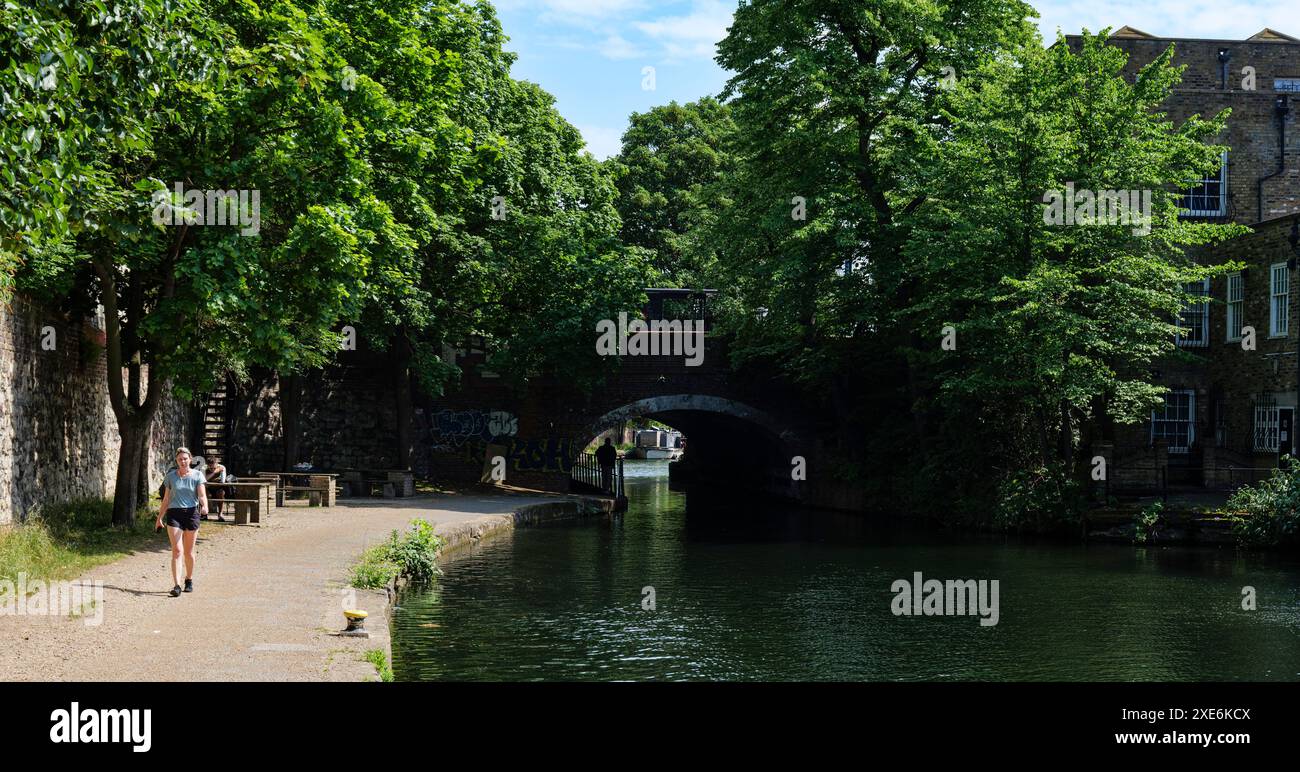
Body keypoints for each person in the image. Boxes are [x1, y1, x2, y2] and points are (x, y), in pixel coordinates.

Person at [155, 447, 208, 597]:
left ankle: (189, 579)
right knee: (177, 551)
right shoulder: (171, 477)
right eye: (180, 459)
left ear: (190, 459)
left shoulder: (198, 475)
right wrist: (159, 517)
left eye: (185, 459)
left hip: (191, 514)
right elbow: (166, 499)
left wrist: (205, 507)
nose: (183, 461)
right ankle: (177, 585)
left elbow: (202, 495)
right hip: (174, 515)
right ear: (176, 461)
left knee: (189, 553)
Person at [205, 455, 230, 522]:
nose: (213, 469)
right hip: (208, 488)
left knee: (221, 493)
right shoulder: (203, 468)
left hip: (218, 488)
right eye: (211, 468)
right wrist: (215, 472)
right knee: (204, 493)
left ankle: (220, 513)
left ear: (217, 464)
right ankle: (204, 513)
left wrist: (210, 478)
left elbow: (222, 481)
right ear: (207, 465)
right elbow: (203, 480)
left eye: (214, 468)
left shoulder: (222, 467)